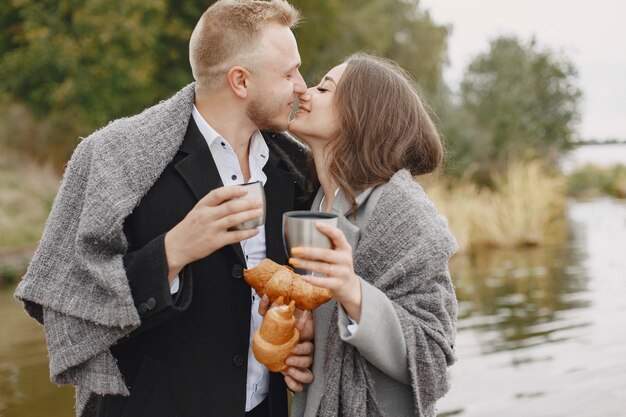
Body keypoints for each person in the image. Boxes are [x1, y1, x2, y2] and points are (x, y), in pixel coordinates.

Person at [14, 1, 315, 417]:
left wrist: (301, 341)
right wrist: (173, 251)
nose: (302, 85)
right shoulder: (119, 162)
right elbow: (70, 300)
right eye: (289, 73)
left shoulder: (293, 171)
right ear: (240, 80)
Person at [282, 53, 459, 417]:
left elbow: (433, 359)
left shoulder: (402, 211)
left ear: (359, 114)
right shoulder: (312, 202)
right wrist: (302, 343)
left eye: (323, 88)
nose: (304, 91)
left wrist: (352, 289)